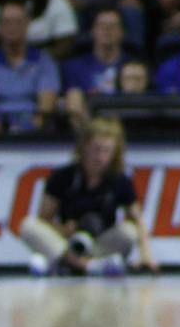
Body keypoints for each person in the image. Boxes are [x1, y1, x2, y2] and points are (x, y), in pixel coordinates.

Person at [19, 116, 159, 275]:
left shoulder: (120, 180)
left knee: (129, 231)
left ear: (115, 153)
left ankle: (66, 264)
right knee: (28, 225)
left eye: (107, 151)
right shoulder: (63, 176)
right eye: (96, 149)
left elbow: (137, 219)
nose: (100, 157)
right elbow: (44, 218)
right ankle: (87, 266)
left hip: (99, 244)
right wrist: (63, 229)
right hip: (67, 242)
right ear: (84, 147)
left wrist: (146, 254)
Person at [0, 2, 61, 132]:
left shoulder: (44, 62)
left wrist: (28, 127)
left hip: (35, 132)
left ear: (27, 25)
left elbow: (46, 108)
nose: (12, 27)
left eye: (18, 22)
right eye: (7, 22)